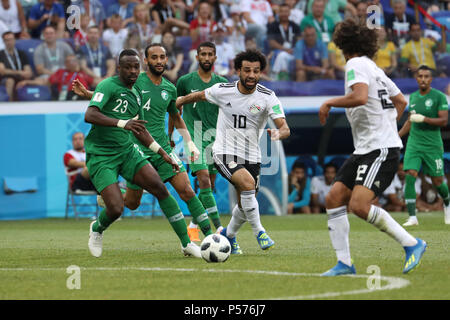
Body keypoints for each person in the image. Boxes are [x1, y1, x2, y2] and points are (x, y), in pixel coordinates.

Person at [318, 19, 426, 276]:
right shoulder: (374, 68)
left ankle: (412, 244)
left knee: (359, 205)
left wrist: (329, 103)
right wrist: (391, 130)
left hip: (378, 149)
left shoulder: (355, 64)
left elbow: (360, 97)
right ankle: (344, 264)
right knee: (334, 198)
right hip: (368, 148)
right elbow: (401, 101)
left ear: (341, 43)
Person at [80, 49, 201, 258]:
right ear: (119, 68)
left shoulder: (136, 93)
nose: (133, 71)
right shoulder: (107, 86)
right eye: (128, 67)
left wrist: (163, 154)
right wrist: (122, 123)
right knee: (117, 208)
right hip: (101, 155)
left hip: (127, 151)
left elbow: (140, 129)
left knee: (160, 189)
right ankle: (97, 228)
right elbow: (90, 114)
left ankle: (186, 243)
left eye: (136, 67)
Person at [176, 49, 291, 253]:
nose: (251, 75)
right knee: (247, 186)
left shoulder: (267, 97)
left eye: (256, 71)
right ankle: (260, 232)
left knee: (245, 203)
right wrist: (180, 102)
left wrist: (278, 133)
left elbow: (285, 127)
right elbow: (200, 96)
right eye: (247, 70)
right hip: (223, 152)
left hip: (252, 156)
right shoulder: (223, 90)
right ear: (238, 70)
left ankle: (228, 235)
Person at [174, 42, 228, 243]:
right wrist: (171, 135)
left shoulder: (222, 83)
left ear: (215, 58)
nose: (206, 57)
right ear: (197, 57)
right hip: (193, 136)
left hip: (215, 137)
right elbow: (175, 110)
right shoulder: (185, 81)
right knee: (204, 179)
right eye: (203, 54)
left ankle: (194, 225)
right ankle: (219, 229)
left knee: (209, 186)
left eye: (210, 54)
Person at [398, 65, 450, 226]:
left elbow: (444, 121)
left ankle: (447, 204)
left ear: (431, 79)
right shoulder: (412, 97)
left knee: (437, 181)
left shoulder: (439, 97)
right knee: (410, 174)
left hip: (432, 145)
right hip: (414, 143)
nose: (423, 79)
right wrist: (396, 137)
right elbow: (409, 121)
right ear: (416, 78)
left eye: (426, 76)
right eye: (420, 76)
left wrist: (425, 119)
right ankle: (413, 217)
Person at [267, 3, 301, 81]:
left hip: (294, 53)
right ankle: (282, 78)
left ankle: (274, 76)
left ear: (289, 13)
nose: (284, 14)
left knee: (283, 56)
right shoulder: (273, 26)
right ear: (278, 13)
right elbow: (271, 42)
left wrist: (293, 50)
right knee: (282, 55)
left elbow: (300, 41)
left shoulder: (295, 26)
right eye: (282, 11)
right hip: (277, 52)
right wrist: (285, 50)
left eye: (286, 11)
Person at [0, 31, 33, 101]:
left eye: (11, 39)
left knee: (29, 80)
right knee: (10, 81)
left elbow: (28, 71)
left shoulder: (21, 53)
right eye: (7, 40)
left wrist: (25, 75)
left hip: (21, 78)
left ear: (15, 40)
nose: (9, 42)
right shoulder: (1, 54)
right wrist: (20, 72)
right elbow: (2, 71)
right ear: (3, 41)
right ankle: (9, 104)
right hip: (5, 79)